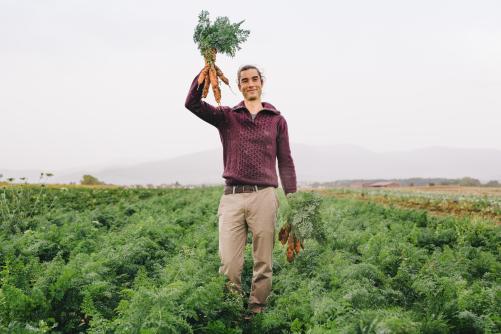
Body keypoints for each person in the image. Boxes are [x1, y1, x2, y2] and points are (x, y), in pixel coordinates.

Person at [184, 64, 297, 318]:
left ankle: (256, 310)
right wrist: (206, 71)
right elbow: (192, 103)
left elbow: (286, 161)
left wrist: (293, 198)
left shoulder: (277, 120)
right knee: (230, 264)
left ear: (262, 83)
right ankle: (232, 311)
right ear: (239, 85)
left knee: (263, 263)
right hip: (232, 197)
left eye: (254, 79)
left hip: (264, 196)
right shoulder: (228, 116)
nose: (250, 83)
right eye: (244, 80)